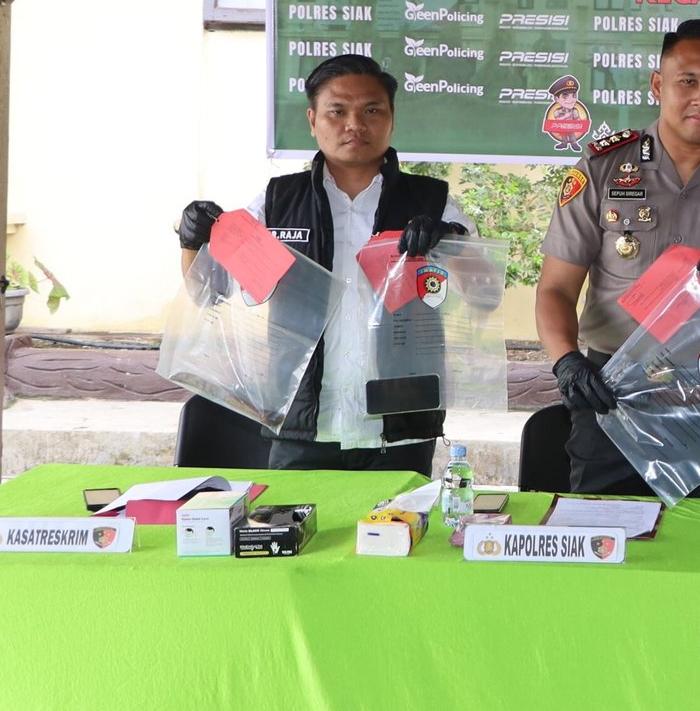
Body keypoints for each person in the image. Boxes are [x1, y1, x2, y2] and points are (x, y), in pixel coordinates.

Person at [536, 18, 700, 495]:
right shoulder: (602, 168)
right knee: (606, 534)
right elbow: (555, 288)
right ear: (658, 85)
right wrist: (567, 362)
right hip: (611, 391)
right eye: (688, 81)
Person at [177, 53, 476, 473]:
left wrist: (451, 245)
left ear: (391, 119)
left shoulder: (432, 201)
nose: (355, 124)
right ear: (313, 120)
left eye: (371, 110)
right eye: (337, 111)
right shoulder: (277, 203)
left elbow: (481, 294)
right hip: (301, 424)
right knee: (297, 520)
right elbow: (209, 291)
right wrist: (192, 242)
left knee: (398, 521)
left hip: (400, 426)